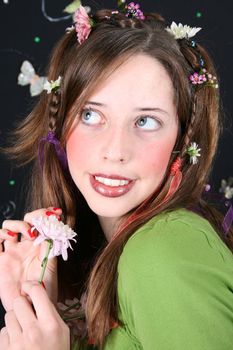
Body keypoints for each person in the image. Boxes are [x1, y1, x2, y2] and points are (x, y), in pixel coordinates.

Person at [0, 2, 233, 349]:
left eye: (146, 121)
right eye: (91, 115)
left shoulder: (162, 251)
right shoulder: (117, 251)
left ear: (183, 142)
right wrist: (36, 304)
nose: (115, 150)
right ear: (60, 124)